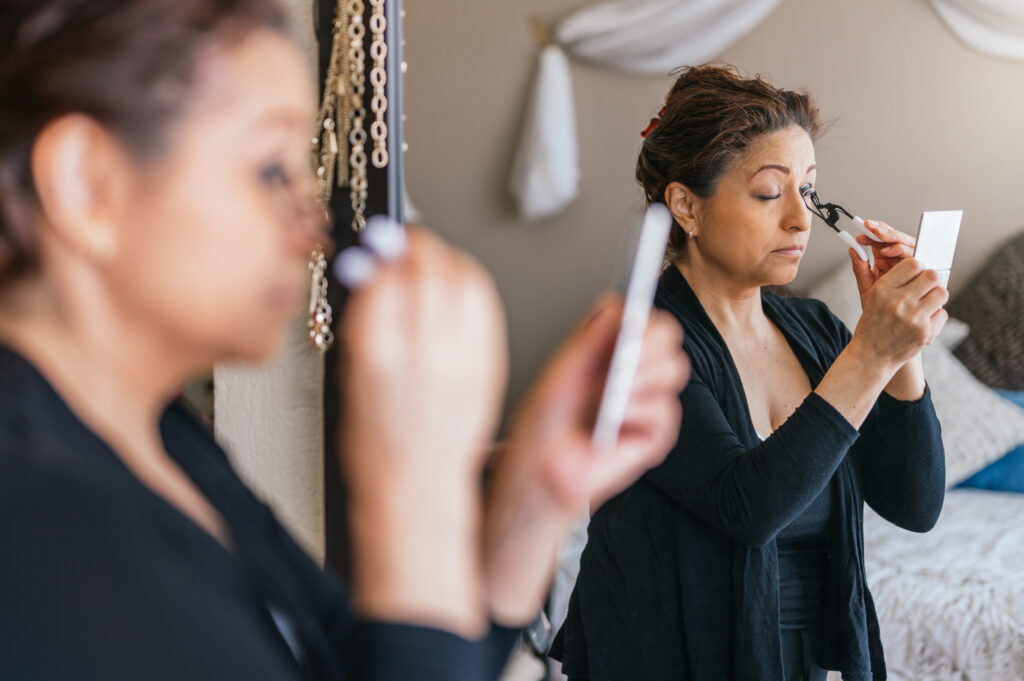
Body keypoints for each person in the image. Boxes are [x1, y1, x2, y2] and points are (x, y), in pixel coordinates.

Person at [0, 2, 691, 679]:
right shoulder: (27, 515)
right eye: (271, 169)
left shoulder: (165, 441)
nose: (311, 227)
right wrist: (413, 497)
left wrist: (536, 494)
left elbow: (392, 656)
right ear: (88, 184)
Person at [552, 65, 946, 681]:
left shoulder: (816, 332)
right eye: (769, 192)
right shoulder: (640, 341)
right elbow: (749, 507)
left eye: (808, 192)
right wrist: (870, 353)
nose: (799, 219)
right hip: (667, 656)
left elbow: (914, 504)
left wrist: (902, 346)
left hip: (799, 658)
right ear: (685, 205)